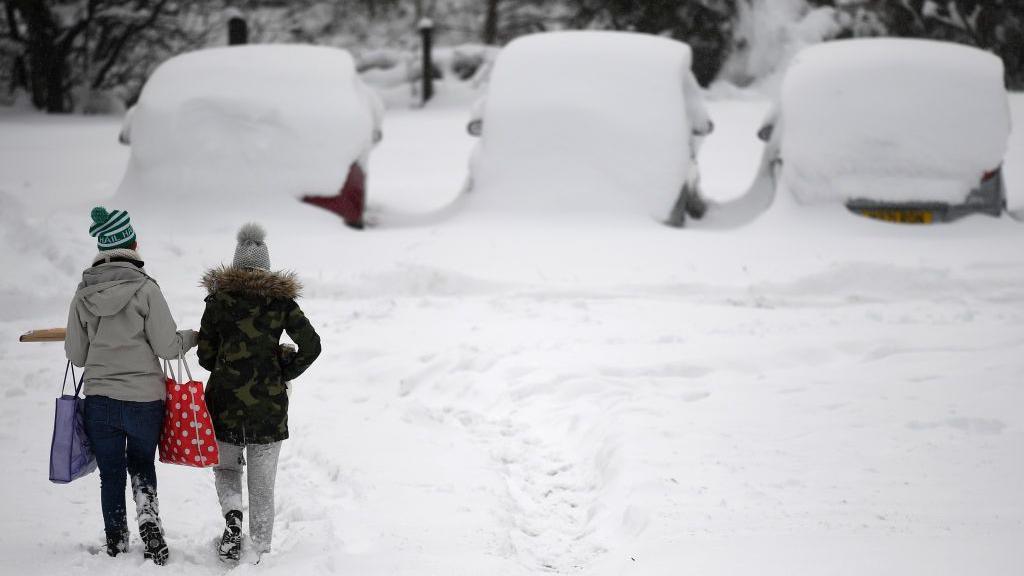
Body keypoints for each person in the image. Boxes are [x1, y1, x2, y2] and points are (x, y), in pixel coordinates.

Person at [65, 207, 197, 565]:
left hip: (100, 401)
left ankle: (116, 540)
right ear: (133, 245)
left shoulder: (82, 296)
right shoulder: (146, 289)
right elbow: (169, 347)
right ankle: (149, 517)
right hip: (144, 400)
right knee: (141, 463)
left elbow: (76, 355)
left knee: (110, 474)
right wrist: (193, 337)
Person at [197, 223, 321, 562]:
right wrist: (282, 370)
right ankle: (260, 553)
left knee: (225, 470)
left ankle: (233, 515)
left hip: (222, 404)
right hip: (268, 407)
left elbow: (205, 356)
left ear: (235, 266)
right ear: (266, 267)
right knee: (263, 484)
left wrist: (227, 364)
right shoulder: (281, 303)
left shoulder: (219, 300)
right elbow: (311, 345)